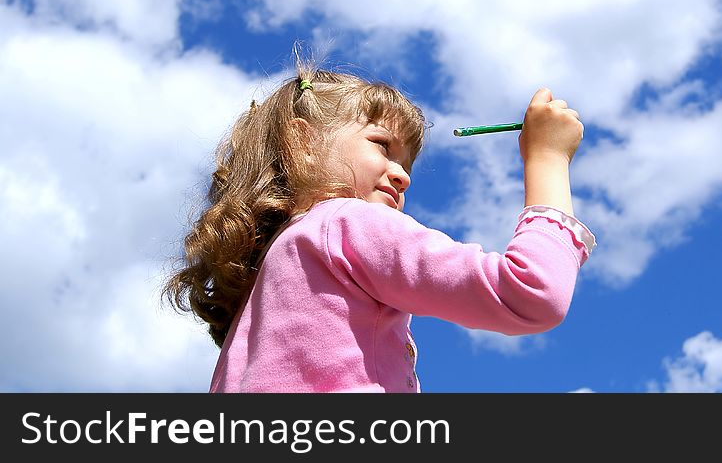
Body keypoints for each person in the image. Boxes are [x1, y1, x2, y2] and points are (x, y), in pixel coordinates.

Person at [164, 62, 596, 392]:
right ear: (303, 143)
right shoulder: (343, 222)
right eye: (382, 147)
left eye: (406, 165)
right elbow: (531, 292)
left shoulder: (264, 295)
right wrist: (548, 159)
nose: (402, 175)